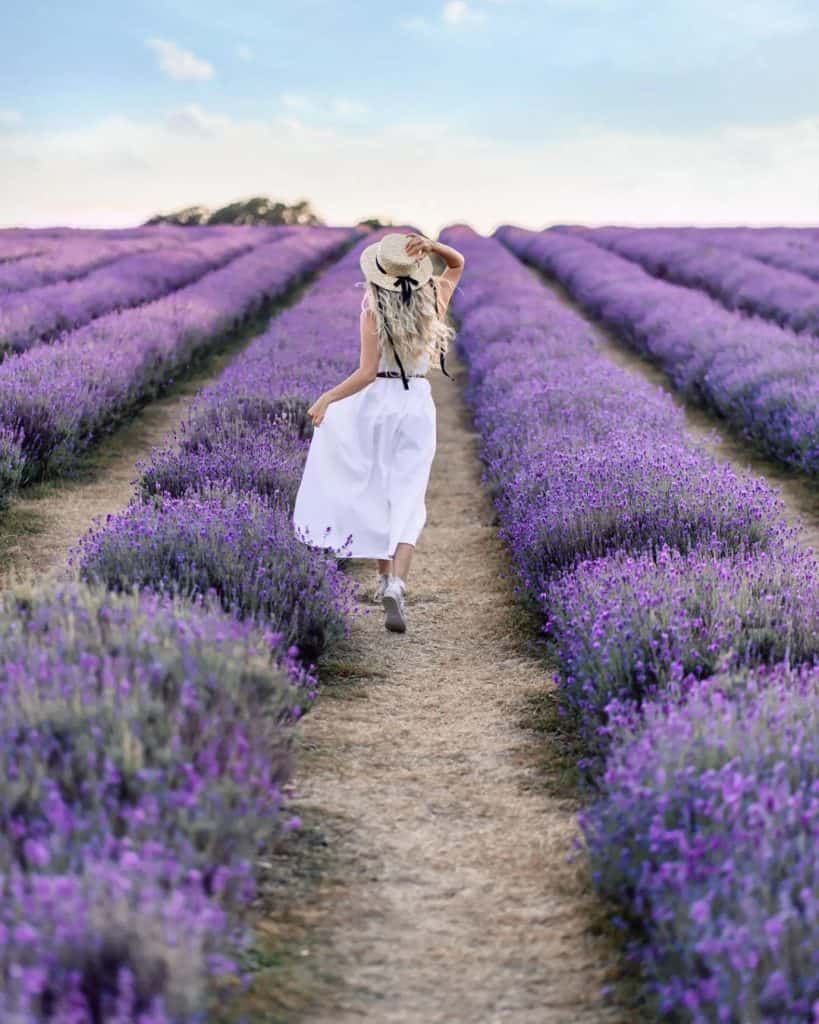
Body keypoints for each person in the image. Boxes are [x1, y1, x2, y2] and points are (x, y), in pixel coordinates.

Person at [292, 231, 465, 633]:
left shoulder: (373, 308)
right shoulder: (434, 296)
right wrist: (434, 246)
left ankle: (383, 579)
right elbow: (458, 263)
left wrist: (328, 398)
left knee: (376, 488)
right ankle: (399, 583)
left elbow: (367, 373)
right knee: (409, 494)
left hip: (378, 403)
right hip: (416, 404)